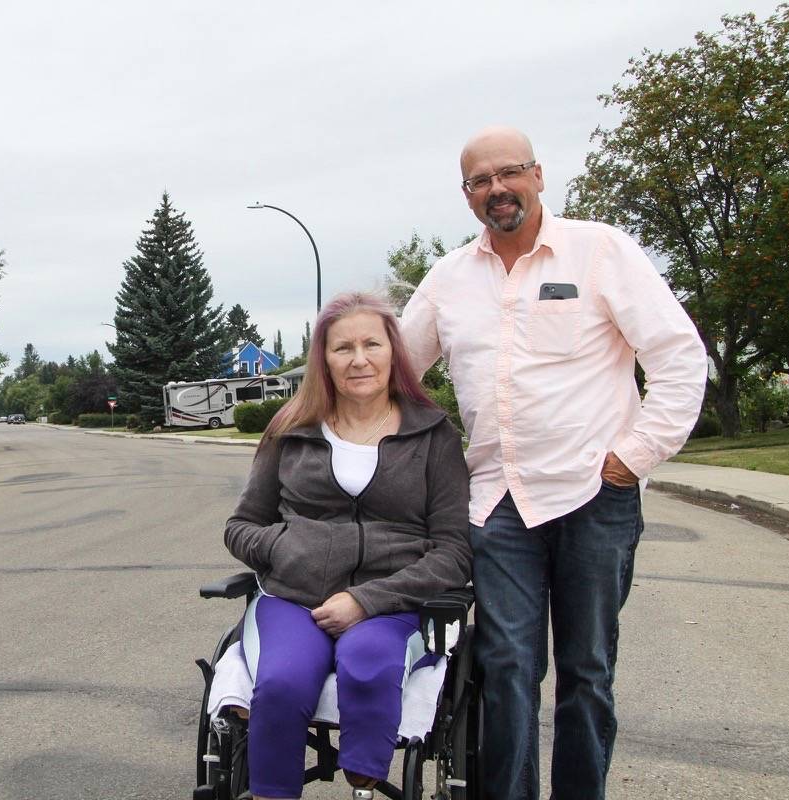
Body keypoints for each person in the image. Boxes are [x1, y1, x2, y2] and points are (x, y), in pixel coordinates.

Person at [401, 126, 707, 800]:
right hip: (497, 504)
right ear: (466, 194)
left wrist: (634, 456)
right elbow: (394, 373)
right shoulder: (449, 280)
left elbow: (680, 358)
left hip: (594, 497)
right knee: (505, 663)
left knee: (587, 669)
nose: (497, 189)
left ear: (538, 176)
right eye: (481, 180)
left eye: (509, 173)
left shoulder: (600, 252)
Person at [225, 291, 471, 800]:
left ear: (393, 352)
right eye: (342, 348)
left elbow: (452, 550)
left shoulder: (433, 435)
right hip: (294, 598)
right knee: (282, 683)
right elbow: (241, 525)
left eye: (371, 345)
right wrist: (289, 547)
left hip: (391, 603)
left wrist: (366, 601)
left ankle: (363, 778)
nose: (359, 359)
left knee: (368, 668)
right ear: (324, 360)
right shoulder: (290, 430)